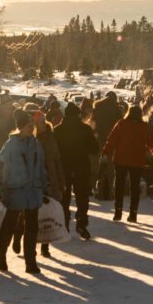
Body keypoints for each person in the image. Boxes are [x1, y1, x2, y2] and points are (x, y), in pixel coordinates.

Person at [0, 109, 48, 274]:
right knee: (9, 225)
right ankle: (1, 255)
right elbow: (0, 167)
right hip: (14, 190)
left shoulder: (36, 144)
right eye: (28, 125)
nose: (32, 128)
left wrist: (45, 187)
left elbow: (41, 167)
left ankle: (30, 262)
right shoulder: (10, 145)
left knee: (32, 228)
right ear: (21, 127)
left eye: (33, 125)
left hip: (33, 191)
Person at [103, 105, 153, 222]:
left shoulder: (121, 124)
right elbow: (152, 143)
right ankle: (133, 213)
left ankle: (118, 212)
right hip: (137, 160)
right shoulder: (144, 127)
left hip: (121, 159)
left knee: (119, 185)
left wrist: (106, 152)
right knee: (134, 187)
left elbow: (111, 139)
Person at [54, 102, 98, 240]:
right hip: (81, 168)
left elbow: (54, 152)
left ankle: (64, 224)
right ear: (78, 114)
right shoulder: (85, 129)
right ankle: (81, 223)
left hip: (64, 169)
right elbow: (94, 149)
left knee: (64, 199)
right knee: (82, 198)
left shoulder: (57, 130)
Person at [35, 115, 66, 258]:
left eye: (41, 121)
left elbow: (57, 160)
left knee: (46, 213)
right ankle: (22, 239)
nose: (40, 124)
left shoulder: (50, 137)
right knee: (31, 212)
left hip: (49, 179)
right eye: (37, 122)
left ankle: (44, 246)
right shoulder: (29, 138)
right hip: (33, 180)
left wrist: (60, 182)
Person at [93, 92, 122, 200]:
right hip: (112, 140)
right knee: (109, 165)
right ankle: (108, 191)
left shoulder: (97, 107)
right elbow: (120, 125)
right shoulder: (116, 109)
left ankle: (98, 188)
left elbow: (93, 124)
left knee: (99, 164)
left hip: (99, 139)